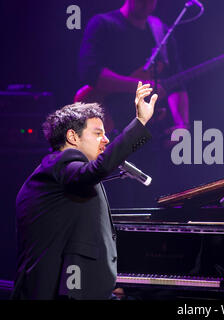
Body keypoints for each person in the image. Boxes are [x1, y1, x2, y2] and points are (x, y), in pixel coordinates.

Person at [12, 82, 158, 299]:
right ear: (72, 137)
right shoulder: (61, 162)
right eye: (98, 133)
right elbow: (96, 170)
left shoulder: (70, 173)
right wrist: (140, 122)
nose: (106, 140)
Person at [77, 0, 190, 206]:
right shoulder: (103, 24)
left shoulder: (160, 31)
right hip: (111, 130)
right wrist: (138, 86)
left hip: (151, 136)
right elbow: (91, 73)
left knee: (152, 201)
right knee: (117, 201)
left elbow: (177, 84)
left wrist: (182, 124)